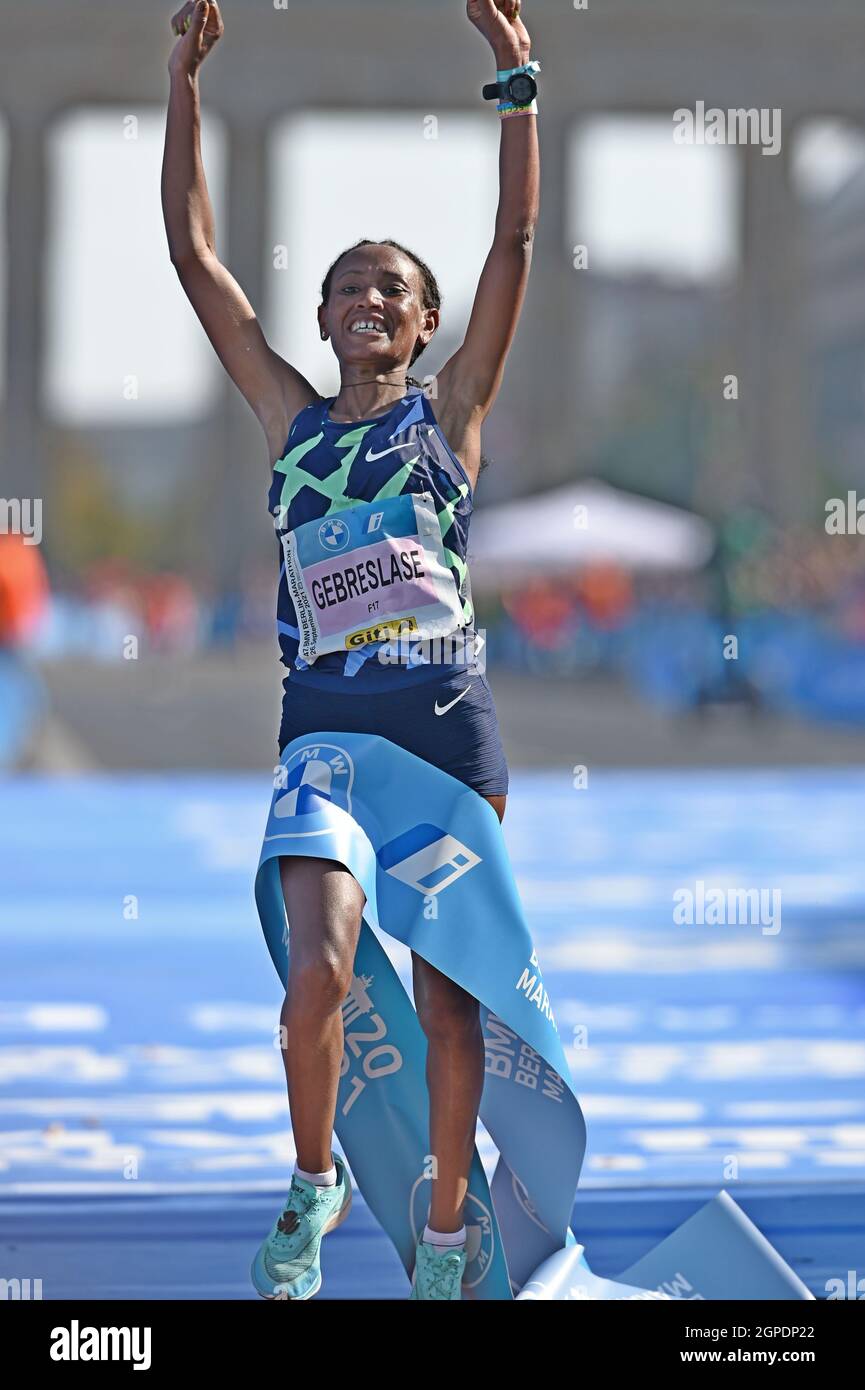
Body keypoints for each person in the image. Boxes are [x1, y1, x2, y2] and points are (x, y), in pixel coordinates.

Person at [162, 0, 541, 1300]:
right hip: (323, 737)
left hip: (445, 738)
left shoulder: (456, 417)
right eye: (347, 285)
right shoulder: (289, 421)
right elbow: (194, 256)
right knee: (317, 969)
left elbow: (512, 239)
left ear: (424, 325)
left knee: (447, 1008)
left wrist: (516, 84)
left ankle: (446, 1224)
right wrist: (183, 88)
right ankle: (313, 1177)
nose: (369, 297)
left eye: (394, 286)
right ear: (321, 321)